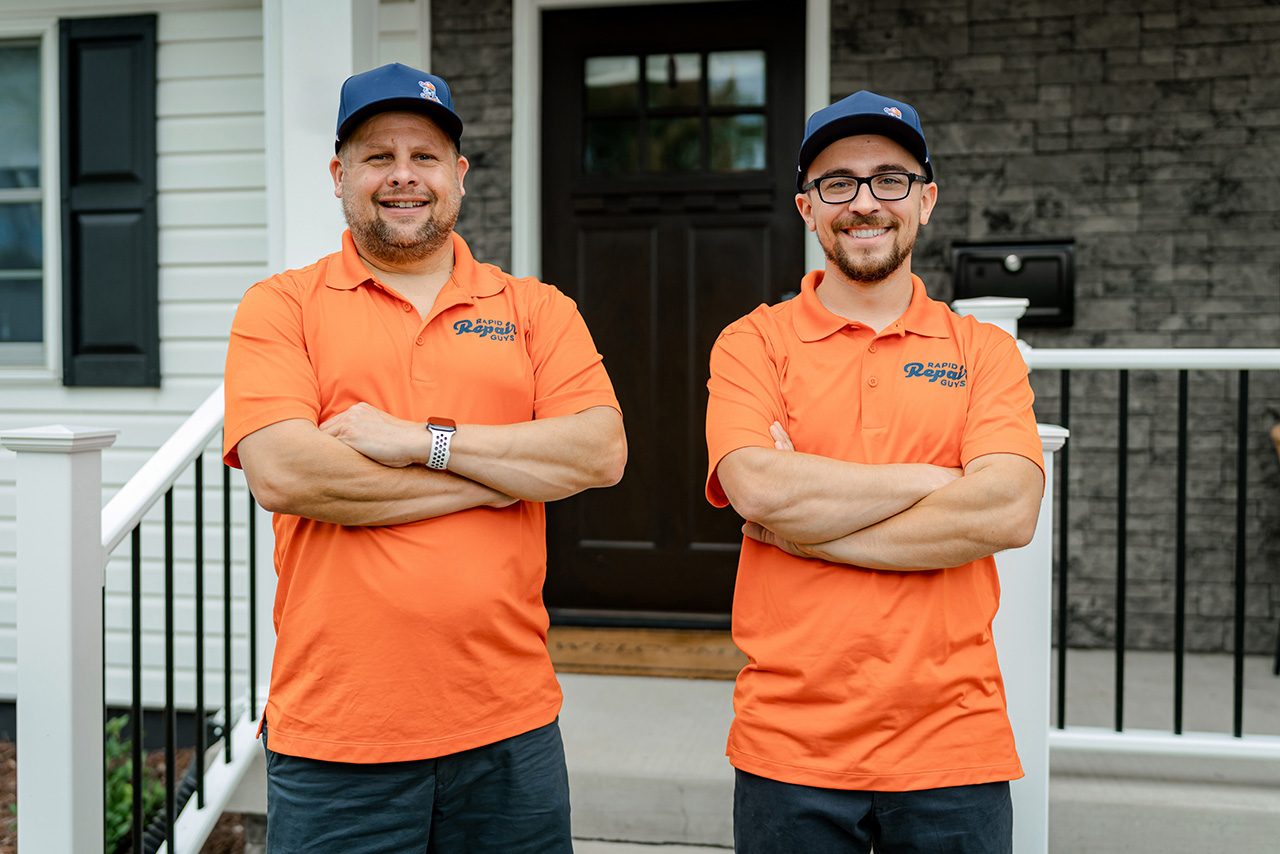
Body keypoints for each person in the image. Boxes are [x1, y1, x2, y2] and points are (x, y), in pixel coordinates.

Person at [222, 62, 626, 853]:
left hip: (509, 730)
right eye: (378, 156)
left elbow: (600, 452)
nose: (403, 176)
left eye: (425, 156)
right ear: (339, 176)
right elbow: (284, 472)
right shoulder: (281, 307)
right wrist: (503, 479)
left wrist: (420, 444)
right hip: (340, 737)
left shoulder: (536, 310)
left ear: (459, 176)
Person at [703, 90, 1045, 853]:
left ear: (926, 201)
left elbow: (1007, 512)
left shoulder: (981, 351)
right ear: (806, 208)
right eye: (837, 183)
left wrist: (810, 531)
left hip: (953, 745)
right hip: (791, 746)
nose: (864, 203)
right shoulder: (752, 343)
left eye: (889, 179)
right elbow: (757, 488)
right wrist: (933, 480)